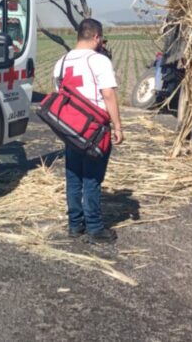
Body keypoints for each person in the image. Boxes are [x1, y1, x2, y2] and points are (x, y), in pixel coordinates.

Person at [53, 18, 123, 243]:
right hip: (94, 129)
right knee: (92, 178)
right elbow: (108, 94)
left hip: (71, 129)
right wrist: (117, 126)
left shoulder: (61, 62)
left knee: (73, 177)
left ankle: (75, 225)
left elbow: (60, 97)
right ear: (96, 37)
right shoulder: (99, 61)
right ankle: (94, 227)